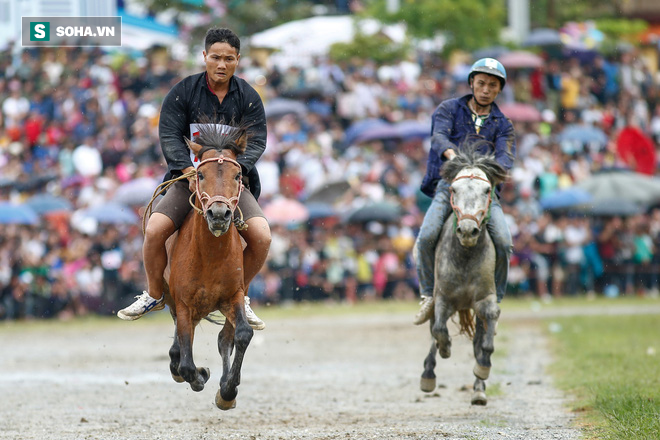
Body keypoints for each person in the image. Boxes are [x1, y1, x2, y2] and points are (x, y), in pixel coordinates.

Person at [117, 28, 271, 329]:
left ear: (238, 60)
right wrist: (185, 169)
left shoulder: (249, 97)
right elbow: (170, 135)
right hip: (189, 179)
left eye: (229, 58)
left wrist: (235, 168)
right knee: (154, 230)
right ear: (205, 57)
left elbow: (257, 141)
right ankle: (153, 294)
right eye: (215, 57)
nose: (222, 64)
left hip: (231, 185)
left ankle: (243, 295)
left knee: (263, 237)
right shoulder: (183, 92)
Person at [413, 58, 516, 325]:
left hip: (483, 191)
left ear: (498, 90)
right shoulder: (448, 109)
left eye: (492, 85)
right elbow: (439, 137)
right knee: (425, 238)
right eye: (481, 83)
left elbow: (505, 159)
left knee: (504, 242)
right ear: (471, 83)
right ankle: (427, 295)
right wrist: (454, 157)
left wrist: (485, 173)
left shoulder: (504, 125)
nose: (485, 89)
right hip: (450, 187)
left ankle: (497, 298)